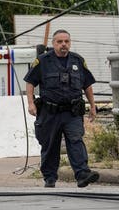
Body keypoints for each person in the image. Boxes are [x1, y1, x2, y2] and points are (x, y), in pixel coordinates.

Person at [25, 29, 99, 188]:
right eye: (60, 42)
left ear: (70, 43)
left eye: (66, 41)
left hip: (72, 112)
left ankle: (82, 174)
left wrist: (93, 106)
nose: (63, 44)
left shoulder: (78, 61)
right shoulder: (43, 61)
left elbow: (87, 85)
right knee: (50, 145)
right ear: (53, 43)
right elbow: (30, 82)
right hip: (49, 112)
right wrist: (30, 103)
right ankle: (50, 177)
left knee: (76, 141)